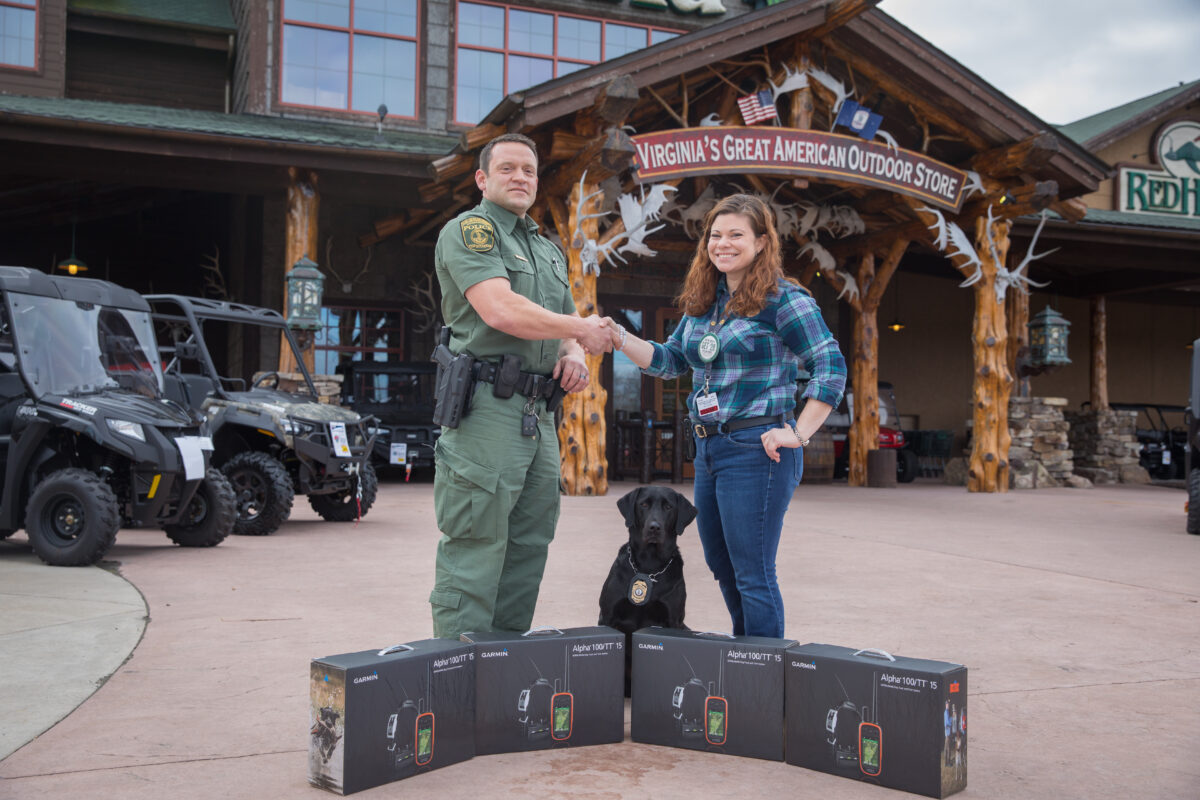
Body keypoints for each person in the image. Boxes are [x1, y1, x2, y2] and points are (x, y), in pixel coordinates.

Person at [605, 194, 845, 638]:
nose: (723, 244)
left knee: (753, 571)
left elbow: (830, 367)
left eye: (736, 234)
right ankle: (744, 655)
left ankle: (763, 667)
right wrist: (619, 337)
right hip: (709, 449)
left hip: (757, 450)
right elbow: (670, 360)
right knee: (722, 564)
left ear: (761, 242)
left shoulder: (785, 300)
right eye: (716, 235)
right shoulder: (706, 301)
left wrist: (798, 433)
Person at [429, 133, 612, 640]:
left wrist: (574, 355)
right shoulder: (470, 231)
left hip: (540, 413)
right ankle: (458, 667)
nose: (520, 178)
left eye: (529, 170)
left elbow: (566, 323)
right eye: (507, 168)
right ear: (482, 179)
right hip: (486, 408)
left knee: (530, 544)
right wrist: (580, 331)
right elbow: (501, 310)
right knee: (476, 541)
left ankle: (504, 662)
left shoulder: (547, 250)